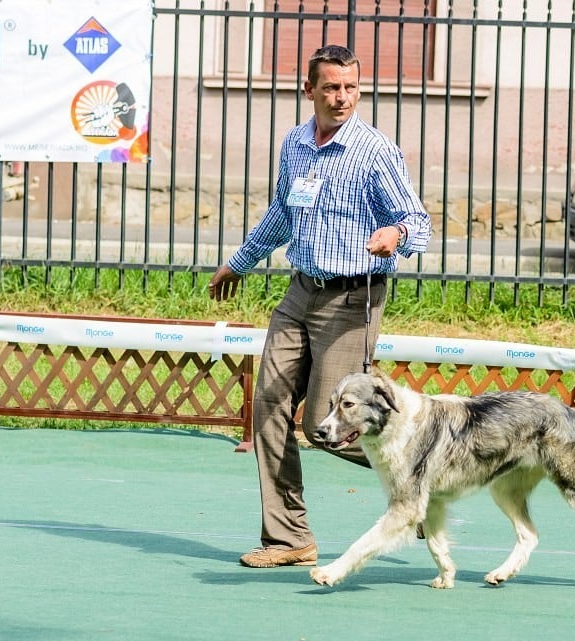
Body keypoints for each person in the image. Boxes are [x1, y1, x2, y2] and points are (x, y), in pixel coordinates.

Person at [208, 44, 431, 568]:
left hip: (353, 297)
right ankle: (289, 539)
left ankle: (422, 473)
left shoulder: (375, 151)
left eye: (351, 87)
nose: (342, 97)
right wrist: (239, 262)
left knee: (323, 426)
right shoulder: (296, 144)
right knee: (267, 408)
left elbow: (418, 221)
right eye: (331, 87)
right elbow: (284, 213)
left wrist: (395, 233)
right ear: (308, 89)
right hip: (299, 292)